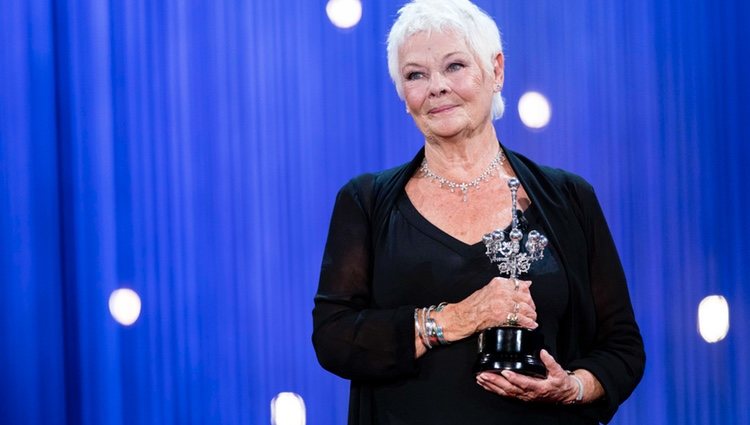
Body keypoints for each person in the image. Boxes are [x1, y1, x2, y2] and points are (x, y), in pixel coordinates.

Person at [312, 0, 645, 423]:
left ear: (497, 71)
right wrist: (459, 317)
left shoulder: (569, 198)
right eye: (416, 75)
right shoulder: (366, 202)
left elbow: (622, 347)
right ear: (403, 95)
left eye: (455, 66)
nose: (436, 87)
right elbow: (334, 338)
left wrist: (575, 387)